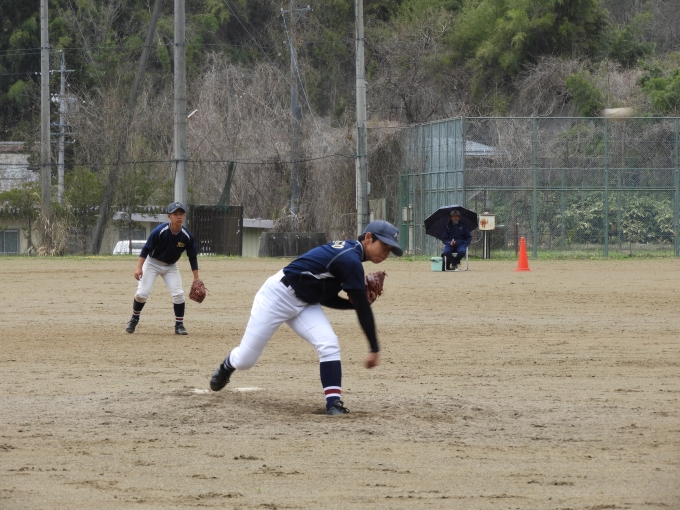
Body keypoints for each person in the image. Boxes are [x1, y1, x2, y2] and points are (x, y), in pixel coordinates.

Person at [209, 220, 403, 415]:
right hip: (277, 297)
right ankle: (228, 365)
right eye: (384, 245)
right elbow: (363, 310)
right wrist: (374, 347)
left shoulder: (350, 254)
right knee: (245, 360)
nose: (386, 253)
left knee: (329, 343)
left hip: (306, 302)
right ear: (368, 238)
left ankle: (333, 403)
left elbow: (324, 296)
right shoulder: (350, 260)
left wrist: (353, 303)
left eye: (390, 250)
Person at [125, 202, 201, 335]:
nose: (179, 217)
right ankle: (134, 319)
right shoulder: (159, 231)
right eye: (175, 214)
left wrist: (196, 278)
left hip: (170, 266)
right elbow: (146, 249)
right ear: (169, 216)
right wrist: (139, 268)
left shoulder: (186, 236)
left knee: (178, 294)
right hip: (152, 263)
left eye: (181, 214)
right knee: (142, 294)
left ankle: (179, 325)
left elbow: (192, 257)